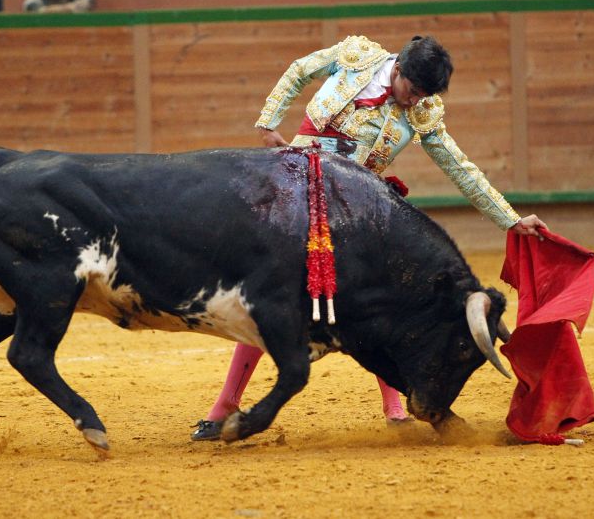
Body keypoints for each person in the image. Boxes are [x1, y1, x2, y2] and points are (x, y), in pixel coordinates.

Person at [190, 34, 547, 442]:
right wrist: (268, 122)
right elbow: (299, 71)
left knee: (385, 300)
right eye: (411, 91)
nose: (414, 102)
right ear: (397, 70)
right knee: (274, 296)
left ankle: (395, 404)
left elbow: (460, 168)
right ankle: (226, 403)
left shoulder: (424, 111)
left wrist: (510, 219)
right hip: (295, 197)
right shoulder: (357, 59)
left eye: (422, 96)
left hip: (355, 216)